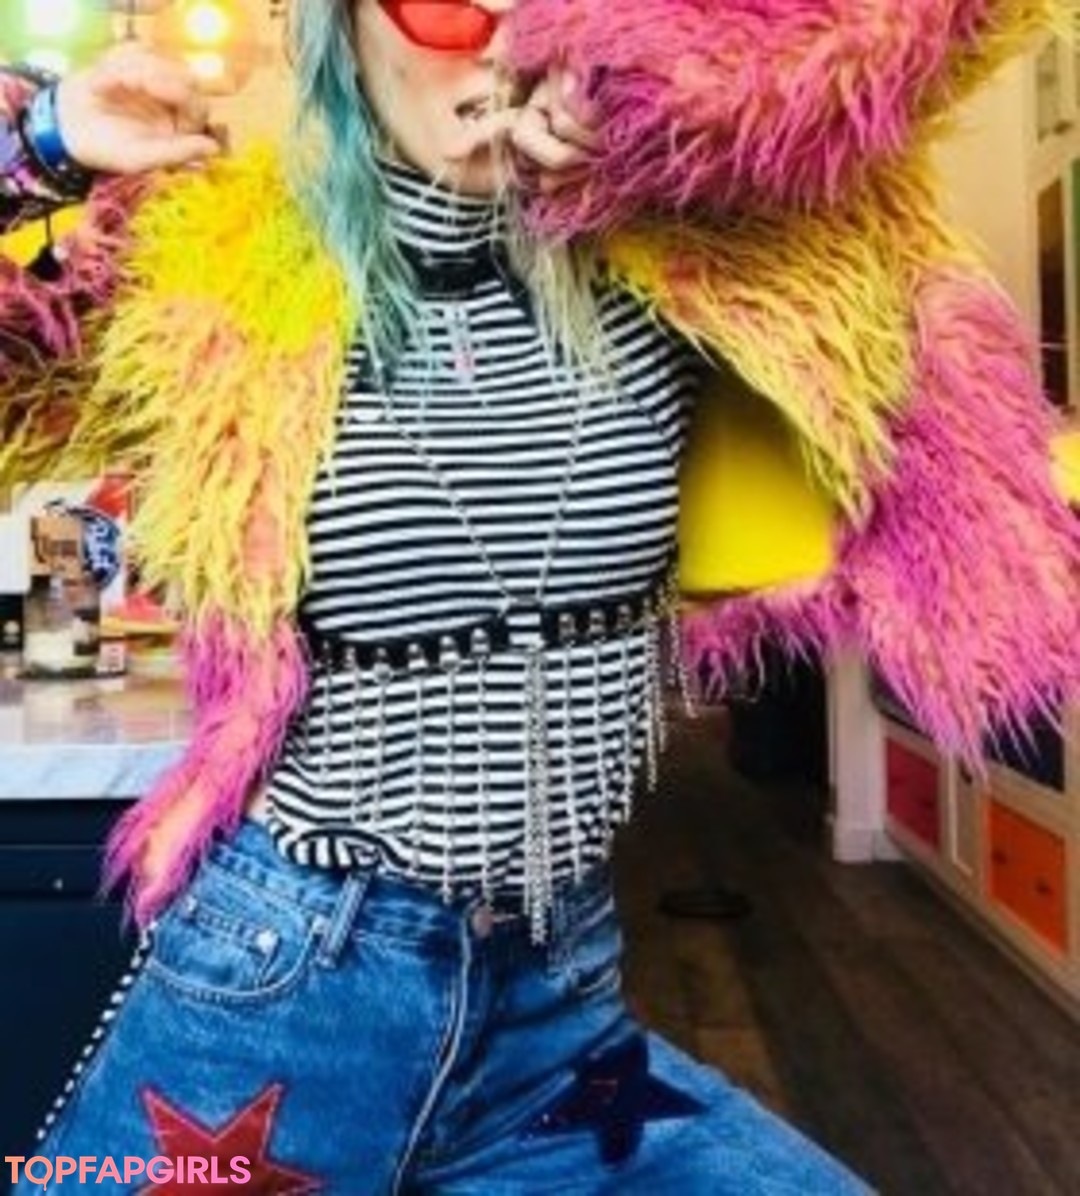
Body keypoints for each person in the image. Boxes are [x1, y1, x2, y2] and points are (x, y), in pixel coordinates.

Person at [0, 1, 1068, 1191]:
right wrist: (35, 142)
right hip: (288, 991)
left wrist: (660, 99)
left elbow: (930, 35)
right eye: (450, 7)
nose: (507, 42)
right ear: (343, 27)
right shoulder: (212, 269)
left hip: (558, 1019)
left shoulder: (693, 256)